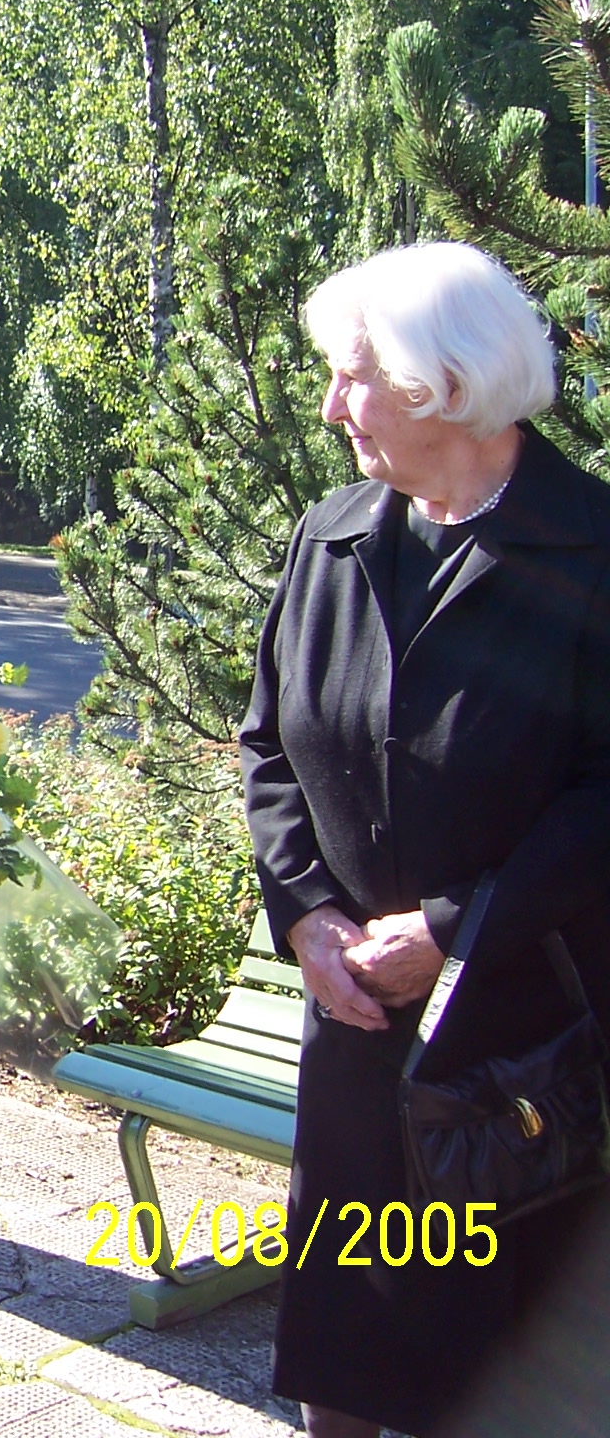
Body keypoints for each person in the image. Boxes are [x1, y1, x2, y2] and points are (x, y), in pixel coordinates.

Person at [239, 241, 610, 1437]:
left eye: (350, 377)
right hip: (355, 1026)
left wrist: (450, 933)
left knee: (502, 1372)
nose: (328, 406)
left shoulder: (590, 548)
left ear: (439, 384)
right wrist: (305, 916)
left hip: (521, 1045)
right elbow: (267, 746)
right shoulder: (332, 534)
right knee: (347, 1356)